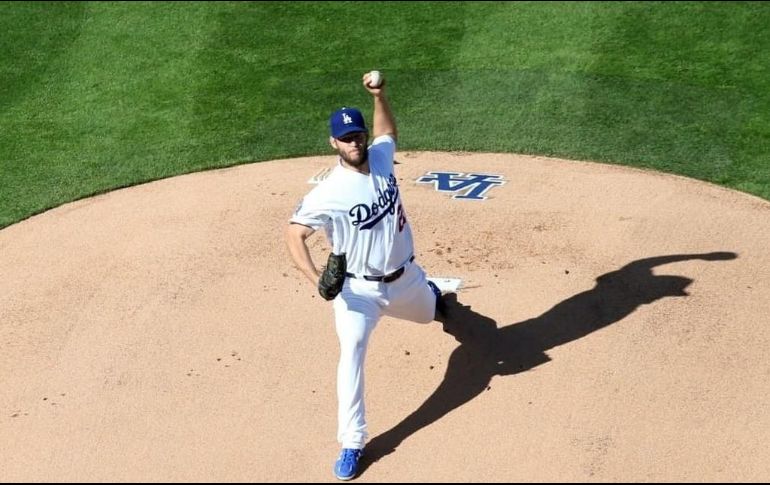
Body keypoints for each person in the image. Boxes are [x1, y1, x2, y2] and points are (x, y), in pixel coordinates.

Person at [285, 71, 443, 481]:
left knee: (429, 313)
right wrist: (315, 278)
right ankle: (352, 442)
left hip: (406, 281)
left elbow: (389, 131)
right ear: (332, 144)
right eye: (346, 138)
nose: (355, 142)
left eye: (358, 135)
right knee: (350, 354)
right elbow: (294, 233)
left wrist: (379, 96)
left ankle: (436, 296)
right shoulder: (326, 193)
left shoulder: (381, 157)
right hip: (357, 291)